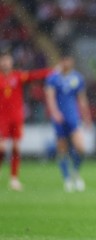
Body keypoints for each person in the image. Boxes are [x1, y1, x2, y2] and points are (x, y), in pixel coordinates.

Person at [0, 51, 51, 191]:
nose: (5, 63)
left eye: (7, 60)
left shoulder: (18, 76)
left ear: (11, 62)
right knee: (2, 148)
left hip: (16, 118)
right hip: (2, 118)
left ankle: (14, 179)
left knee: (16, 148)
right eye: (3, 60)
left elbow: (34, 75)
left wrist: (50, 71)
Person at [45, 53, 92, 192]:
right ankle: (67, 179)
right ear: (61, 61)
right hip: (59, 119)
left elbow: (82, 99)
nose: (67, 62)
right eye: (65, 59)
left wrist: (87, 117)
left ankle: (75, 173)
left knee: (81, 148)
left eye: (69, 59)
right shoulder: (53, 78)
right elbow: (50, 97)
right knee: (62, 150)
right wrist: (55, 113)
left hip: (73, 118)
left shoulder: (77, 78)